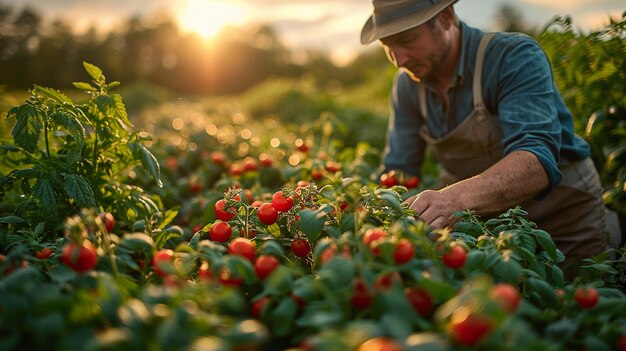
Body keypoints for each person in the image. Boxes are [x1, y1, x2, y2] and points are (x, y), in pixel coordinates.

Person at [360, 0, 609, 277]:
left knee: (579, 303)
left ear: (445, 17)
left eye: (406, 40)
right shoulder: (407, 86)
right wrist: (363, 213)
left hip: (565, 219)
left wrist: (452, 201)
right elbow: (400, 170)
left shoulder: (511, 56)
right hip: (491, 229)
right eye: (387, 46)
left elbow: (536, 163)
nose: (399, 59)